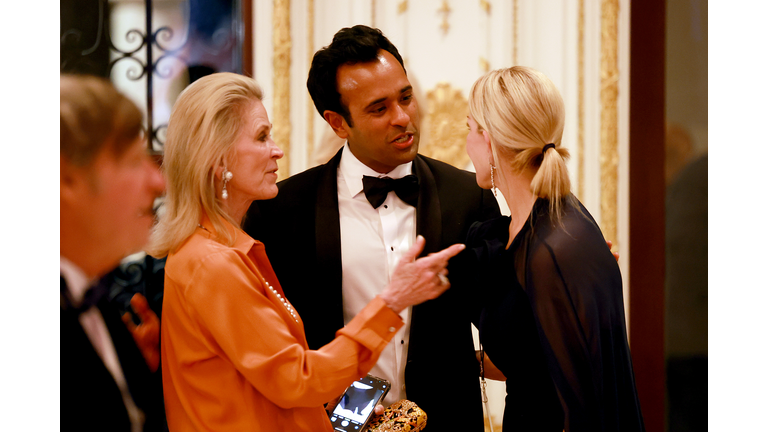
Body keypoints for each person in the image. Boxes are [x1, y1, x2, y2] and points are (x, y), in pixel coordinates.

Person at [147, 72, 465, 431]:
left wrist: (331, 403)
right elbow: (297, 379)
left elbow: (265, 378)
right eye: (261, 137)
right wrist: (392, 301)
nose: (277, 149)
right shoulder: (213, 263)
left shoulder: (226, 250)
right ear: (219, 160)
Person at [243, 25, 500, 431]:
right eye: (379, 109)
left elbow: (504, 325)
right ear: (338, 123)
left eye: (406, 97)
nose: (403, 118)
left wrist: (552, 266)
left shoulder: (468, 197)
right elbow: (272, 349)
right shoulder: (282, 211)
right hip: (334, 424)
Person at [463, 66, 645, 431]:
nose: (465, 142)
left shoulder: (553, 247)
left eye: (468, 128)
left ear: (488, 139)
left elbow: (580, 406)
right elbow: (531, 359)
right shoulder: (526, 229)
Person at [60, 74, 167, 431]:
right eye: (134, 161)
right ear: (66, 179)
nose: (159, 182)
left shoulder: (95, 298)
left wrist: (143, 372)